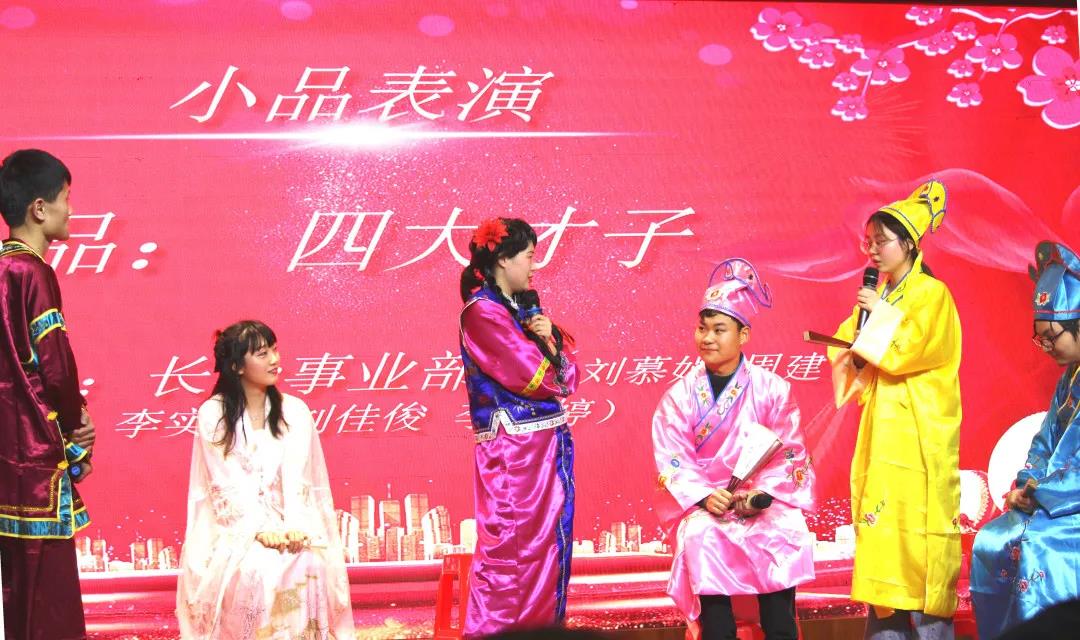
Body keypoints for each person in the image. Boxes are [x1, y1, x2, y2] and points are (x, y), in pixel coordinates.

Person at [652, 258, 814, 640]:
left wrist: (761, 495)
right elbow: (673, 459)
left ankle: (781, 628)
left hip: (762, 504)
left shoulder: (773, 389)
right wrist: (706, 496)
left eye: (719, 329)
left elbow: (790, 453)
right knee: (702, 537)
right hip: (710, 507)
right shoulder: (679, 397)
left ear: (743, 335)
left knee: (783, 531)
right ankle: (717, 629)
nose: (707, 338)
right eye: (702, 328)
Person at [829, 180, 962, 639]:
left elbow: (913, 348)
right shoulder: (880, 297)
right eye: (868, 242)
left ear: (908, 243)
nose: (872, 250)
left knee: (918, 547)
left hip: (918, 434)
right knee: (884, 540)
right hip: (883, 433)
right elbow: (848, 345)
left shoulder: (931, 294)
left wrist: (877, 318)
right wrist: (854, 349)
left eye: (881, 241)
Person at [176, 320, 353, 639]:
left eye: (274, 349)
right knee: (258, 567)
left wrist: (294, 528)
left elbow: (299, 480)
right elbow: (226, 483)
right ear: (236, 366)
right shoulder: (214, 414)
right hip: (235, 529)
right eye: (262, 353)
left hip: (290, 525)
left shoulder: (294, 411)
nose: (274, 359)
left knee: (307, 561)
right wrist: (259, 530)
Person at [457, 217, 579, 636]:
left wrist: (549, 337)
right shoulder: (482, 313)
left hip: (541, 447)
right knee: (511, 555)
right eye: (529, 256)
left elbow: (567, 377)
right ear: (503, 259)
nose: (534, 266)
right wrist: (548, 350)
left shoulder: (520, 311)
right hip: (515, 454)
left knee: (547, 551)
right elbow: (537, 377)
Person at [0, 149, 96, 640]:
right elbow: (54, 366)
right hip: (37, 457)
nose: (70, 210)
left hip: (5, 461)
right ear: (40, 208)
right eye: (66, 198)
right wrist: (78, 426)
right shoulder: (32, 272)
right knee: (48, 603)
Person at [970, 242, 1080, 638]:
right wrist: (1025, 483)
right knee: (991, 540)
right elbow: (1044, 441)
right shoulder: (1069, 378)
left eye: (1052, 336)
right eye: (1041, 338)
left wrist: (1043, 493)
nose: (1047, 347)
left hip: (1070, 504)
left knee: (1038, 545)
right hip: (1055, 499)